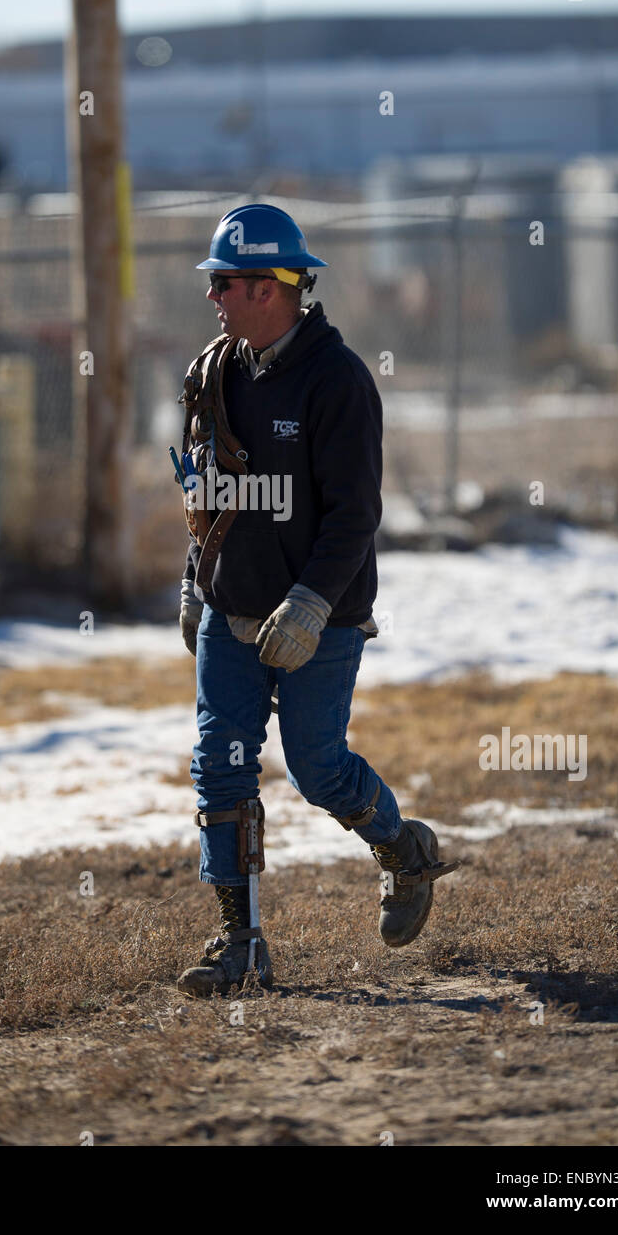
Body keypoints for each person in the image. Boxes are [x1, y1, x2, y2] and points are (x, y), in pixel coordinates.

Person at [175, 204, 458, 997]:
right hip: (229, 615)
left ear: (269, 288)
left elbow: (354, 516)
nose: (213, 297)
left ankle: (403, 850)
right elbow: (203, 492)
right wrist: (193, 581)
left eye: (224, 282)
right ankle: (242, 942)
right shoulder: (211, 372)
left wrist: (306, 604)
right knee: (218, 766)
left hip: (320, 616)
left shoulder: (338, 381)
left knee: (317, 768)